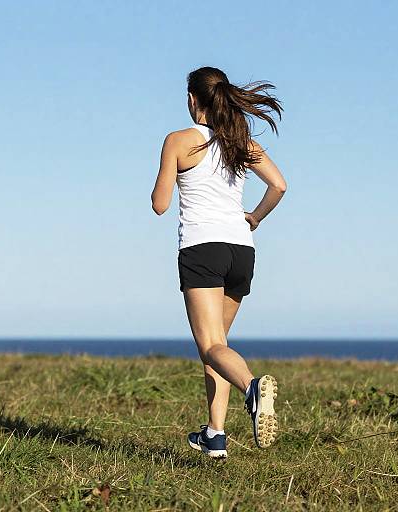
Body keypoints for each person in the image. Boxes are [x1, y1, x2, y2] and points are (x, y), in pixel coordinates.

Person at [151, 66, 287, 458]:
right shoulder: (239, 141)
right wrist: (256, 217)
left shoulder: (178, 140)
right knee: (217, 346)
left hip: (202, 248)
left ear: (193, 100)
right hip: (241, 250)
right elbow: (279, 185)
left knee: (211, 345)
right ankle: (215, 435)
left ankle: (252, 388)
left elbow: (160, 205)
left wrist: (170, 174)